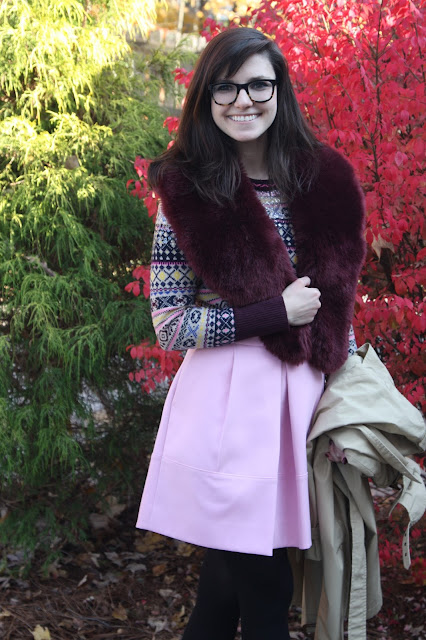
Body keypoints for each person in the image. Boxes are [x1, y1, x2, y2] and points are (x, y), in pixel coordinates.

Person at [136, 27, 366, 640]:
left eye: (258, 84)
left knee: (223, 592)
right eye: (226, 88)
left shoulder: (324, 183)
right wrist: (270, 314)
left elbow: (336, 310)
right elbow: (170, 324)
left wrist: (338, 415)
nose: (243, 101)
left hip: (298, 407)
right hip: (225, 411)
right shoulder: (187, 192)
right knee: (265, 590)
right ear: (207, 99)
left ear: (279, 89)